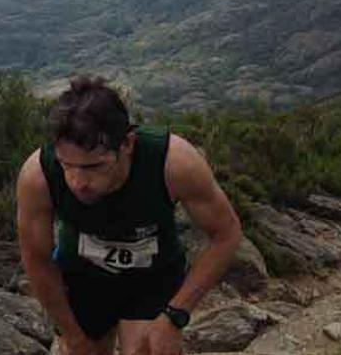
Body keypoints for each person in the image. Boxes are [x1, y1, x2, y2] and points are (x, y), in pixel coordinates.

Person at [16, 76, 242, 355]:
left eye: (94, 166)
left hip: (153, 276)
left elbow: (227, 233)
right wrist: (70, 334)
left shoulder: (174, 162)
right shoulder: (38, 175)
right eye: (67, 165)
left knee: (150, 349)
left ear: (127, 144)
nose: (77, 182)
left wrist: (175, 315)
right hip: (83, 277)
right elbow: (36, 257)